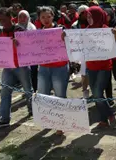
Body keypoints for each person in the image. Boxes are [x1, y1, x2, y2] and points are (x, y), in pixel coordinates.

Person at [0, 7, 33, 128]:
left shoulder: (20, 30)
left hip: (21, 65)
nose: (3, 22)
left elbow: (29, 45)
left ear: (11, 18)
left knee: (28, 90)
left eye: (4, 19)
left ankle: (32, 110)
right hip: (8, 67)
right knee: (5, 92)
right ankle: (4, 118)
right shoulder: (1, 32)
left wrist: (19, 43)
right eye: (0, 20)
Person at [37, 7, 69, 135]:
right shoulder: (36, 33)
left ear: (53, 16)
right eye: (42, 17)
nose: (46, 19)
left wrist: (66, 37)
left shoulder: (62, 29)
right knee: (43, 95)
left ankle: (61, 124)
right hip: (44, 68)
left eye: (48, 16)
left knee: (60, 95)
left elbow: (72, 43)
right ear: (39, 19)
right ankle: (49, 119)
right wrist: (18, 43)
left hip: (60, 67)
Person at [85, 6, 116, 129]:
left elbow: (112, 45)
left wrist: (114, 36)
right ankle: (104, 119)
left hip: (104, 67)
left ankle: (109, 115)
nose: (88, 19)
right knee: (96, 93)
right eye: (87, 16)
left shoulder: (106, 30)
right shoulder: (85, 31)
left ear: (97, 17)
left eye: (90, 16)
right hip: (91, 67)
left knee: (98, 93)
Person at [71, 5, 90, 98]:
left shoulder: (92, 23)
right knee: (84, 72)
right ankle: (85, 90)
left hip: (93, 52)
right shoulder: (75, 25)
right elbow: (73, 40)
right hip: (82, 52)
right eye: (84, 13)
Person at [17, 10, 38, 92]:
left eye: (24, 16)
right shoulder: (15, 28)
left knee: (33, 73)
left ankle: (35, 90)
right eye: (20, 17)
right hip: (21, 56)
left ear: (28, 17)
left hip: (32, 55)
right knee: (25, 75)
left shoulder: (32, 28)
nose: (22, 19)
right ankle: (28, 90)